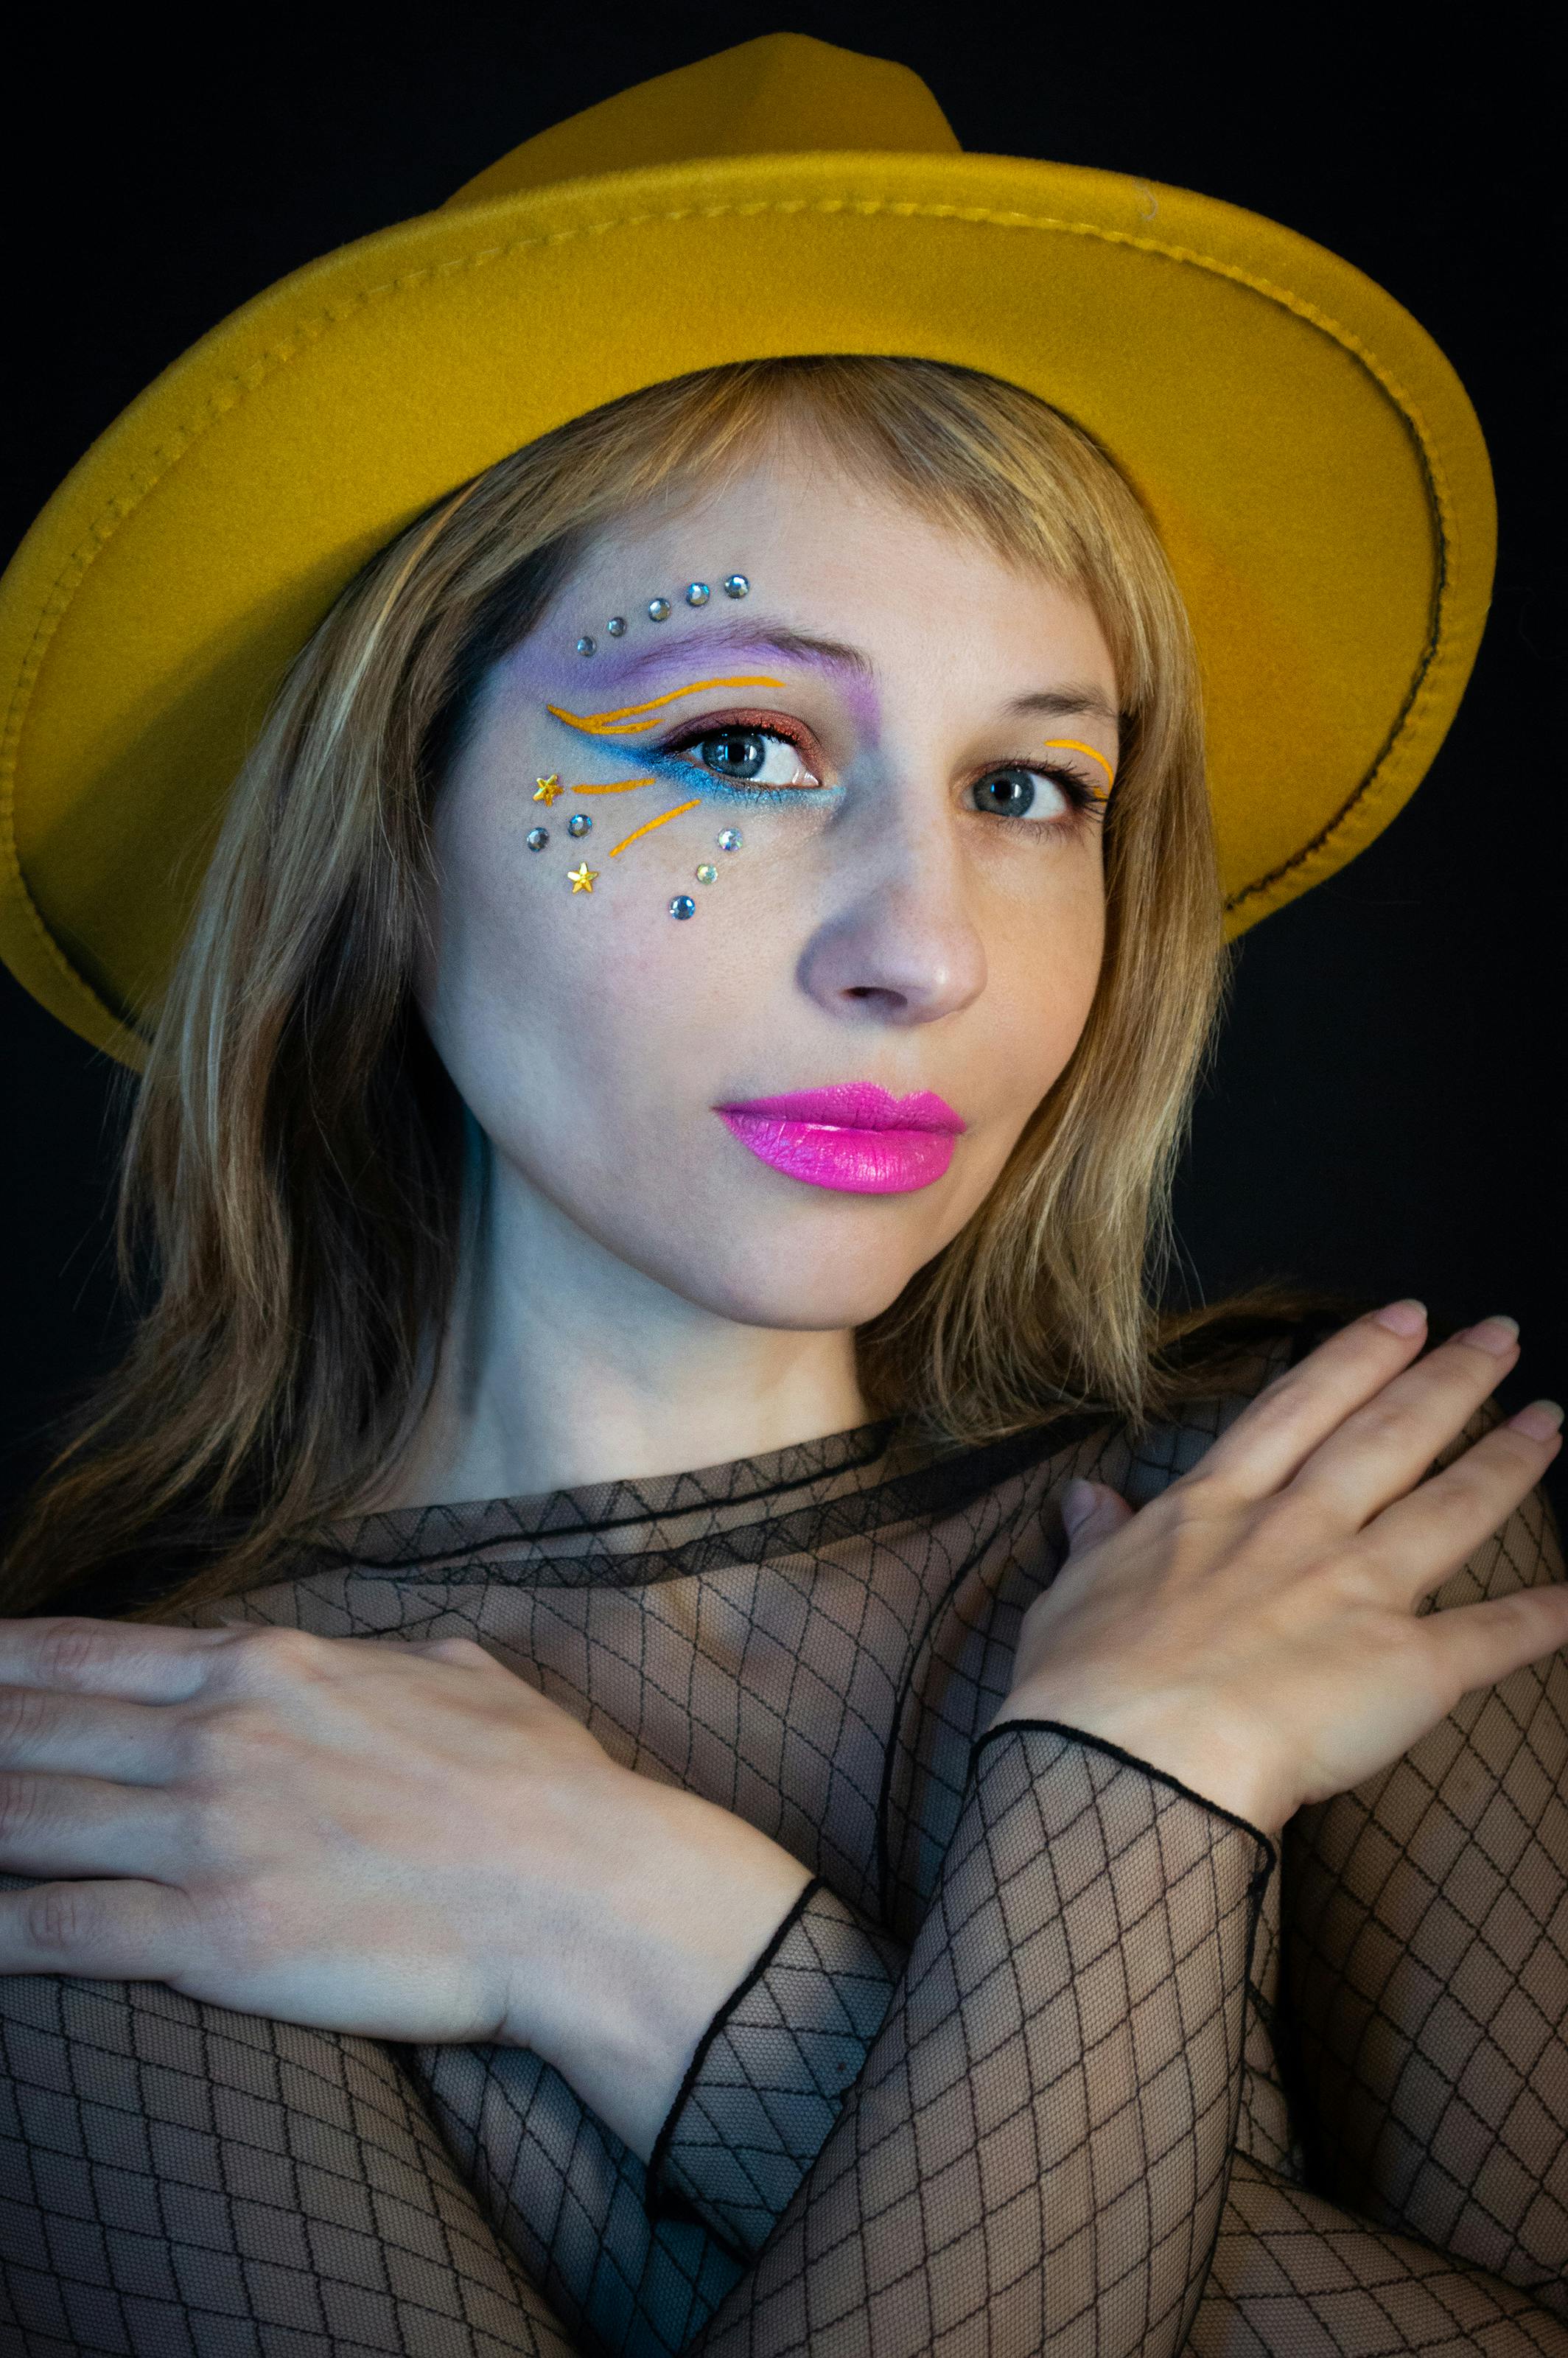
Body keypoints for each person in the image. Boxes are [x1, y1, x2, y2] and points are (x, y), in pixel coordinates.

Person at [0, 35, 1561, 2358]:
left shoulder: (1311, 1532)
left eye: (1034, 786)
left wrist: (634, 1933)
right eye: (741, 747)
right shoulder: (146, 1777)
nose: (923, 948)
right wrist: (1135, 1810)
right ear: (393, 825)